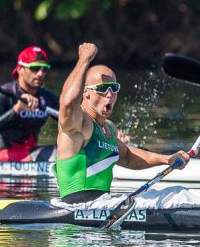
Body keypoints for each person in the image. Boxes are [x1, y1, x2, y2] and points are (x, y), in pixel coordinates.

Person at [54, 42, 191, 203]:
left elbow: (127, 156)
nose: (109, 94)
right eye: (103, 88)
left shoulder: (109, 128)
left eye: (114, 88)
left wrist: (166, 159)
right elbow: (67, 103)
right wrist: (84, 59)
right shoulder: (80, 122)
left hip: (103, 202)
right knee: (175, 197)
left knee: (175, 193)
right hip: (77, 205)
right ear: (86, 92)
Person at [0, 46, 60, 162]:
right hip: (5, 156)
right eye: (35, 68)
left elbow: (68, 119)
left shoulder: (47, 97)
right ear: (20, 69)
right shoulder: (2, 95)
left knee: (68, 150)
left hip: (31, 153)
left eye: (44, 69)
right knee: (61, 153)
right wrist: (16, 109)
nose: (40, 73)